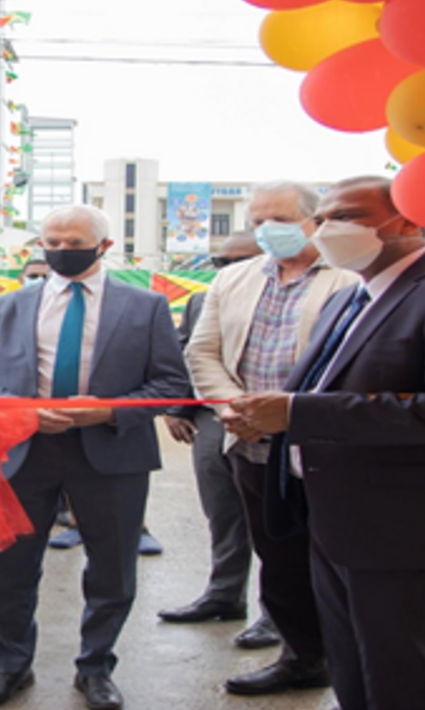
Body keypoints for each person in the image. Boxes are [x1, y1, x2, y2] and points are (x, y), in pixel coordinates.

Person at [226, 177, 425, 710]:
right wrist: (269, 419)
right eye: (323, 218)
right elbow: (325, 389)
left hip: (406, 532)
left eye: (347, 216)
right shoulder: (351, 298)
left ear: (407, 220)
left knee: (409, 682)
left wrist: (297, 414)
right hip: (334, 520)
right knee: (355, 677)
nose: (326, 229)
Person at [0, 204, 190, 710]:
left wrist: (109, 411)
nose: (62, 251)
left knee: (112, 570)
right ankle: (10, 666)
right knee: (11, 568)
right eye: (53, 243)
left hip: (112, 452)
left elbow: (171, 384)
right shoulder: (6, 307)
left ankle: (96, 667)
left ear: (104, 246)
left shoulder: (146, 306)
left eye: (75, 243)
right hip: (22, 453)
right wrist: (22, 412)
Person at [183, 184, 360, 696]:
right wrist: (234, 410)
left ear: (314, 221)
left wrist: (288, 417)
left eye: (278, 219)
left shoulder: (351, 279)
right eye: (257, 220)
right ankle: (302, 658)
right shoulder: (233, 279)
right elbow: (202, 352)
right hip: (252, 446)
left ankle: (354, 666)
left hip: (327, 449)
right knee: (279, 560)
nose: (265, 230)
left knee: (340, 563)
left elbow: (355, 366)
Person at [156, 232, 263, 625]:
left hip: (271, 421)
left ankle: (278, 613)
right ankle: (224, 595)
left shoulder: (297, 296)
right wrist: (176, 408)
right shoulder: (202, 300)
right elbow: (186, 353)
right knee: (222, 510)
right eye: (222, 263)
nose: (230, 270)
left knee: (273, 519)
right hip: (212, 419)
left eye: (241, 261)